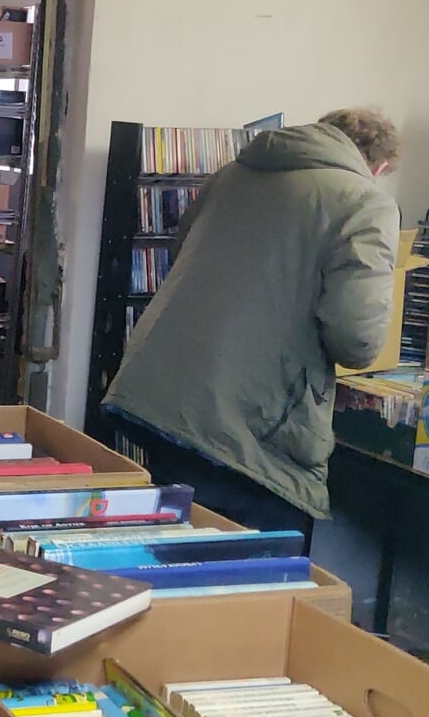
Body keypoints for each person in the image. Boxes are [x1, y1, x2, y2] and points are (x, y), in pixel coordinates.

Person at [102, 109, 400, 547]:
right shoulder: (365, 202)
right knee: (252, 574)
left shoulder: (233, 174)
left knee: (172, 552)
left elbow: (183, 251)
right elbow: (357, 339)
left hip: (162, 393)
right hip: (248, 424)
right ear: (379, 167)